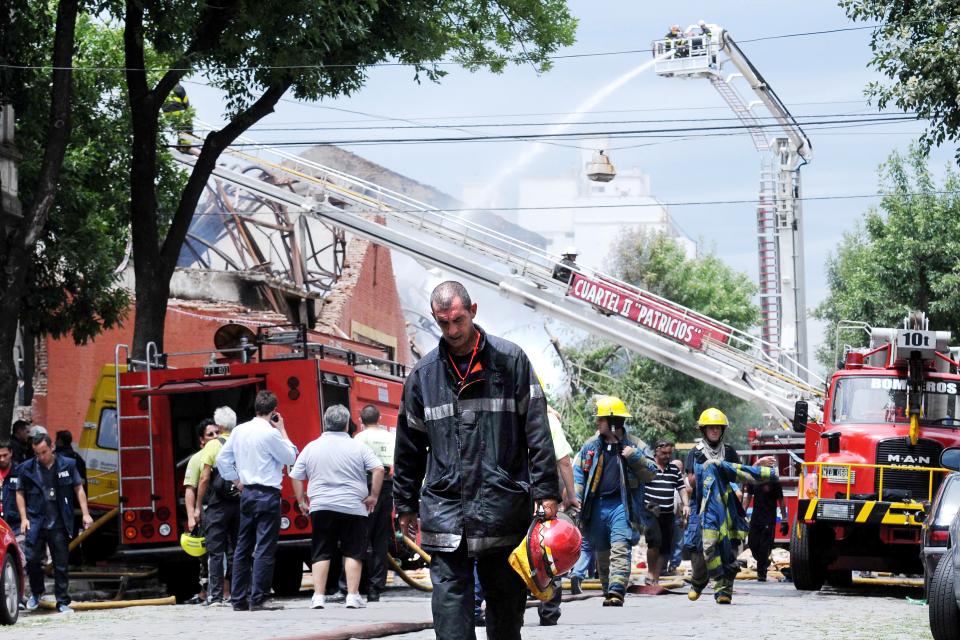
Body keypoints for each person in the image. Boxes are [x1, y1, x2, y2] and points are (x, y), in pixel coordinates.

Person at [394, 280, 560, 640]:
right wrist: (405, 503)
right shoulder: (424, 376)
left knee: (506, 612)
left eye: (458, 320)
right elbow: (409, 445)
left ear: (473, 311)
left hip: (501, 507)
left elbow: (537, 430)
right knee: (451, 614)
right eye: (443, 323)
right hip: (446, 511)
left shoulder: (510, 361)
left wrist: (547, 491)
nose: (452, 331)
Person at [291, 404, 384, 610]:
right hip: (353, 506)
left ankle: (318, 597)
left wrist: (301, 501)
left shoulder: (312, 447)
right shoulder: (357, 447)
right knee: (353, 551)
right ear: (346, 424)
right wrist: (373, 496)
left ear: (326, 423)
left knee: (321, 550)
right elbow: (378, 469)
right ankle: (352, 596)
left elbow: (296, 475)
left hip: (321, 506)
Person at [684, 408, 777, 604]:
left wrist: (755, 466)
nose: (715, 430)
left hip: (728, 506)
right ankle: (699, 581)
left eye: (718, 427)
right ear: (704, 430)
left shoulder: (730, 452)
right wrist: (710, 470)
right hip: (702, 506)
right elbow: (691, 482)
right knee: (701, 549)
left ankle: (724, 590)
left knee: (730, 547)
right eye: (711, 427)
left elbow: (739, 474)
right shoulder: (695, 453)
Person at [216, 390, 298, 611]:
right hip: (268, 493)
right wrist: (282, 429)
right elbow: (290, 457)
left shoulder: (239, 431)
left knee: (242, 547)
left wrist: (236, 480)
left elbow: (222, 459)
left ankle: (238, 599)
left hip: (248, 493)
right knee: (264, 547)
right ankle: (258, 597)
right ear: (274, 411)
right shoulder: (271, 433)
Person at [573, 396, 658, 606]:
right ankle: (607, 590)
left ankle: (617, 590)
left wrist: (634, 457)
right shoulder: (591, 446)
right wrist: (576, 500)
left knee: (620, 546)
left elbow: (651, 473)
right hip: (597, 506)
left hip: (622, 505)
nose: (597, 422)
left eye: (601, 419)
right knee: (601, 551)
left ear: (613, 422)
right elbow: (578, 474)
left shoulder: (635, 445)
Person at [16, 433, 92, 613]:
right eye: (37, 453)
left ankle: (62, 600)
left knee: (61, 562)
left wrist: (86, 513)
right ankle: (36, 593)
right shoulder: (26, 468)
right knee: (33, 559)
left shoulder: (68, 464)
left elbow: (78, 488)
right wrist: (24, 518)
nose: (41, 456)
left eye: (44, 452)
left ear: (51, 448)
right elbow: (19, 492)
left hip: (59, 520)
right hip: (36, 520)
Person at [538, 404, 580, 626]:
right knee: (549, 550)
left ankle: (510, 611)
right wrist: (570, 495)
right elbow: (563, 461)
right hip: (544, 499)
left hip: (510, 498)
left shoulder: (504, 413)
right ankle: (549, 611)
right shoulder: (549, 420)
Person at [352, 404, 395, 602]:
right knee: (380, 539)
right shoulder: (389, 437)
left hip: (364, 488)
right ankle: (376, 588)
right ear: (379, 419)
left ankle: (356, 585)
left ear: (361, 421)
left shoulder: (358, 439)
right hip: (386, 487)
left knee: (360, 537)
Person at [197, 406, 240, 607]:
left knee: (216, 552)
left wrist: (199, 504)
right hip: (239, 501)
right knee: (237, 549)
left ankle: (215, 596)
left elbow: (205, 477)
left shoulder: (213, 445)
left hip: (218, 505)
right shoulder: (241, 442)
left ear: (220, 425)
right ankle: (236, 592)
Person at [183, 418, 220, 604]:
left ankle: (226, 591)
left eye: (217, 433)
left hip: (223, 509)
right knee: (206, 554)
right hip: (206, 511)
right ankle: (205, 592)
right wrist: (191, 516)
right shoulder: (196, 459)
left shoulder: (225, 454)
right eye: (210, 434)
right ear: (202, 441)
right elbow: (190, 488)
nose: (215, 437)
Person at [644, 440, 688, 586]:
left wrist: (686, 505)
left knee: (665, 546)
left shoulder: (674, 470)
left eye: (669, 453)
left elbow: (682, 488)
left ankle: (655, 578)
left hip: (668, 513)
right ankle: (650, 573)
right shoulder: (648, 467)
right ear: (656, 451)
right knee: (654, 542)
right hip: (651, 511)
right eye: (664, 453)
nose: (667, 456)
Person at [744, 477, 788, 581]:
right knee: (752, 543)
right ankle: (763, 561)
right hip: (755, 518)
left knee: (764, 546)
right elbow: (748, 497)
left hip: (768, 519)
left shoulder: (774, 481)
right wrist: (742, 514)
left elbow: (781, 500)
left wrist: (784, 519)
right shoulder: (753, 479)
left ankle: (761, 574)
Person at [0, 440, 19, 534]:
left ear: (11, 453)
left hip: (15, 527)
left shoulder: (19, 473)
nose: (2, 459)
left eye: (5, 455)